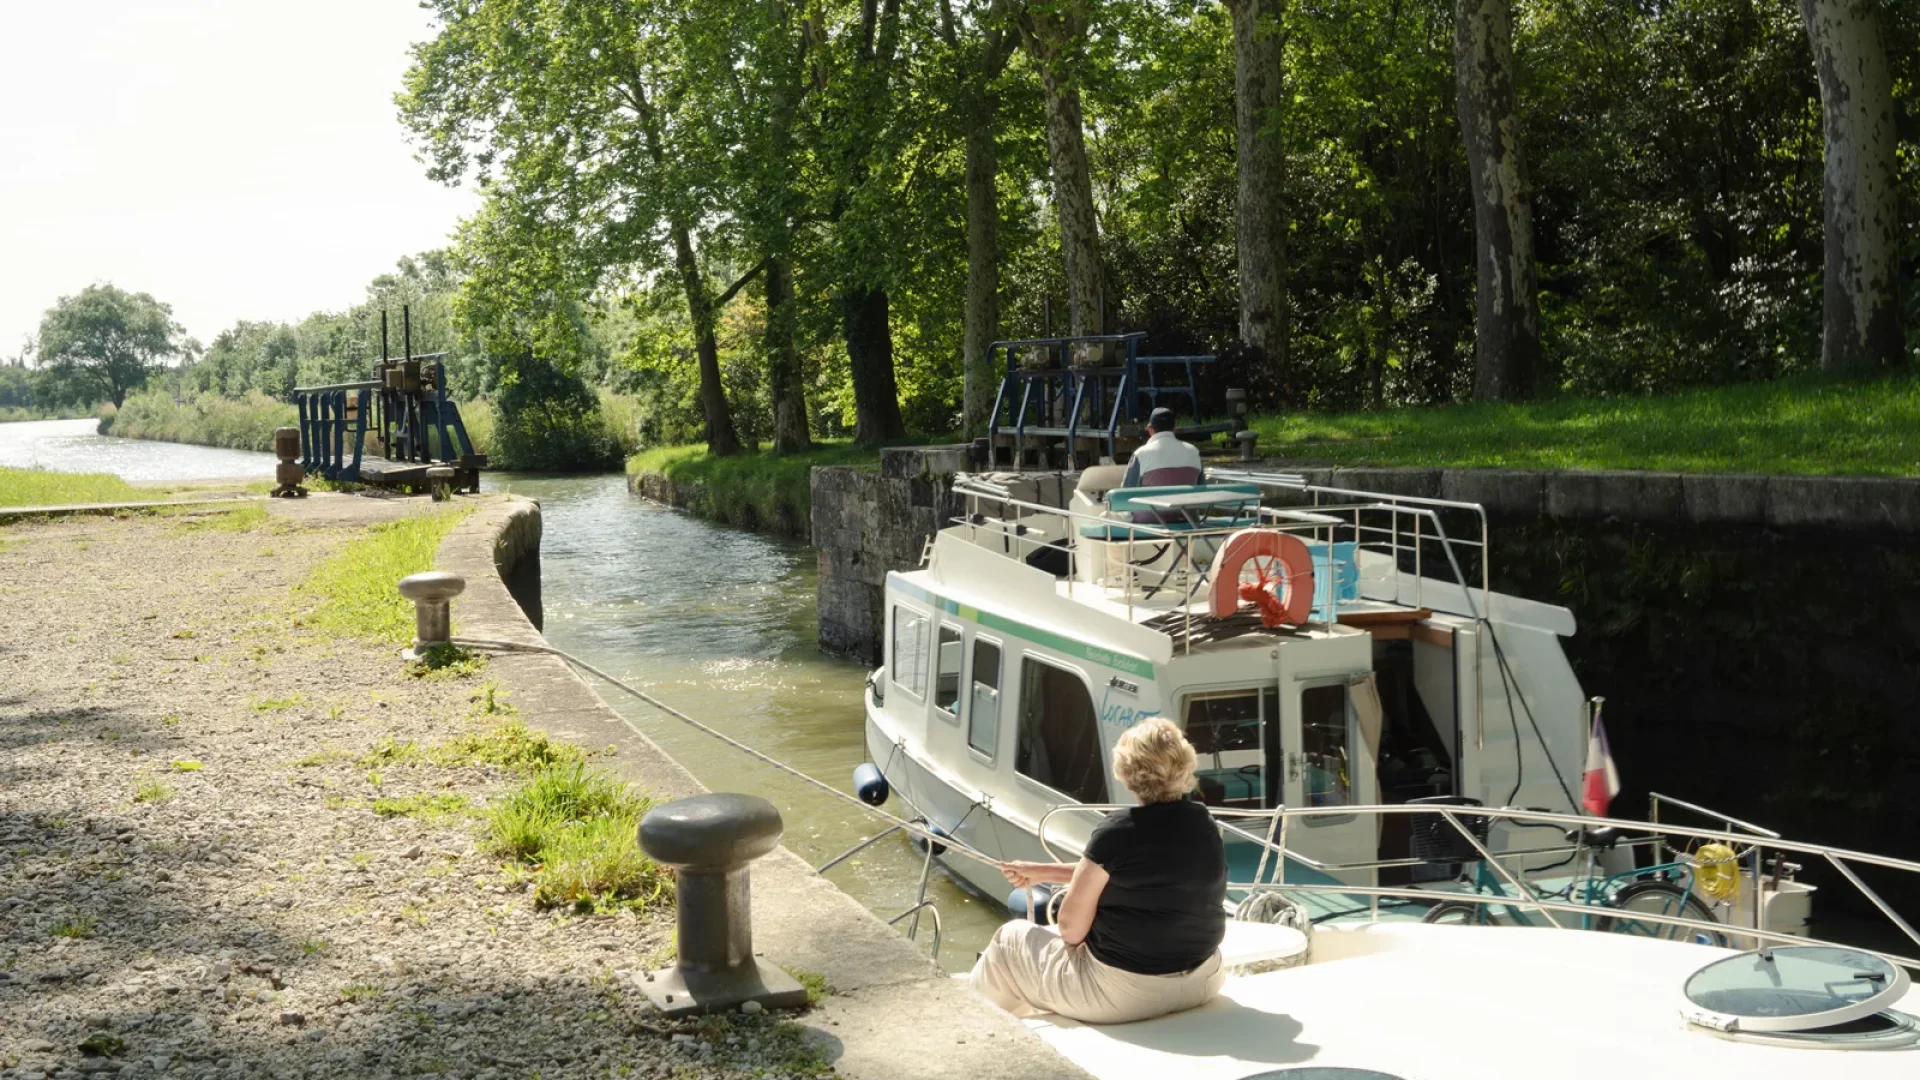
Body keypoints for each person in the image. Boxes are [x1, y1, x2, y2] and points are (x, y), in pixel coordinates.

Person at [969, 717, 1227, 1024]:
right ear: (1185, 766)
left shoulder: (1117, 832)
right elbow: (1139, 874)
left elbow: (1070, 930)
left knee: (1010, 939)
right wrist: (1041, 871)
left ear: (1127, 773)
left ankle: (976, 1034)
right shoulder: (1203, 824)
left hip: (1125, 995)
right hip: (1203, 981)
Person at [1120, 407, 1203, 489]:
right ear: (1174, 428)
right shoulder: (1194, 452)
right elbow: (1202, 488)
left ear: (1150, 429)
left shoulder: (1140, 455)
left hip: (1152, 502)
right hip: (1187, 502)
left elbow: (1126, 491)